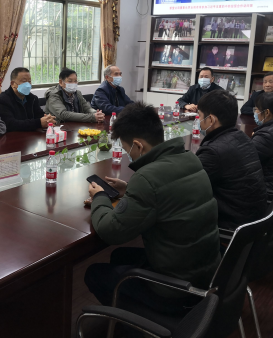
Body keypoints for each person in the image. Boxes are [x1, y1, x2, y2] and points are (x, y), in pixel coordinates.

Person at [84, 102, 220, 316]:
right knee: (119, 256)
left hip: (177, 290)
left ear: (138, 146)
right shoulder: (190, 159)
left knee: (93, 273)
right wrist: (129, 189)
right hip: (205, 273)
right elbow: (166, 194)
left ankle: (145, 323)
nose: (128, 155)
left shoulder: (147, 178)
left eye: (127, 149)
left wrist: (100, 197)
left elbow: (111, 231)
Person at [196, 90, 268, 229]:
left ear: (211, 120)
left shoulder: (213, 152)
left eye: (199, 116)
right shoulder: (242, 137)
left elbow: (191, 189)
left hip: (232, 226)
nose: (198, 121)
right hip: (254, 221)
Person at [0, 67, 56, 132]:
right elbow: (10, 124)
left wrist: (47, 119)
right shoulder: (2, 100)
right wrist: (38, 123)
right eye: (24, 81)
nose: (28, 85)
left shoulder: (33, 98)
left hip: (32, 136)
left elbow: (40, 116)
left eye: (29, 81)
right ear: (12, 84)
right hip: (12, 136)